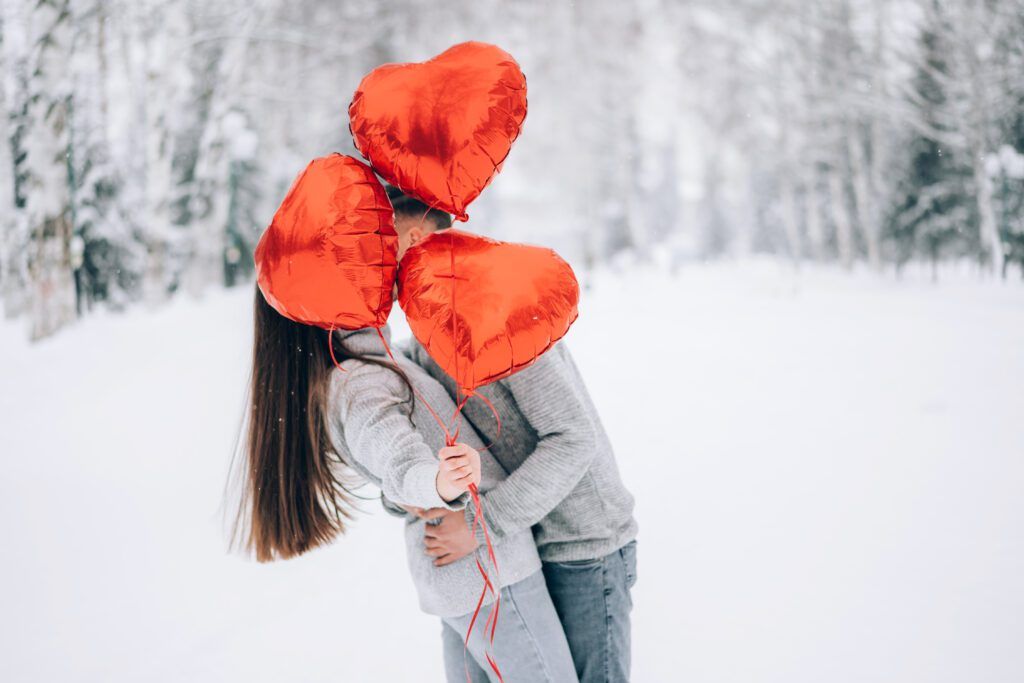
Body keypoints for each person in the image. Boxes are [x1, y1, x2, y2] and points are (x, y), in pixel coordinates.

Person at [235, 284, 578, 682]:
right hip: (491, 578)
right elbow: (395, 456)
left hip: (467, 579)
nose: (375, 276)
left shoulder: (370, 359)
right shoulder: (359, 382)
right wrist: (437, 482)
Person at [387, 186, 639, 683]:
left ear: (414, 236)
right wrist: (408, 495)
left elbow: (572, 438)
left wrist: (479, 528)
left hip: (584, 547)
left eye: (380, 238)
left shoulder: (493, 311)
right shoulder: (420, 344)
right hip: (522, 551)